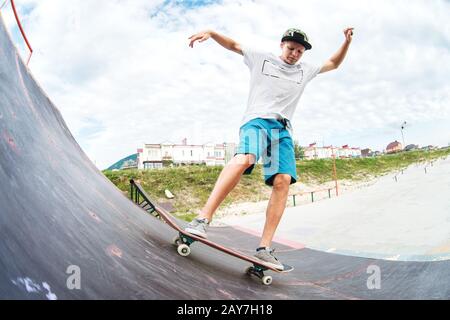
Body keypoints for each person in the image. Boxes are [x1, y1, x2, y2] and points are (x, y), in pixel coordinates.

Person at [185, 27, 353, 270]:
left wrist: (346, 42)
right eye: (291, 48)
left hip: (282, 130)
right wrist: (211, 33)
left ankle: (264, 248)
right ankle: (202, 219)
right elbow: (234, 45)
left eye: (299, 51)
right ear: (281, 45)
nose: (294, 54)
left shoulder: (305, 71)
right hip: (257, 121)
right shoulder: (261, 58)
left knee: (283, 180)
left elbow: (333, 63)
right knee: (245, 158)